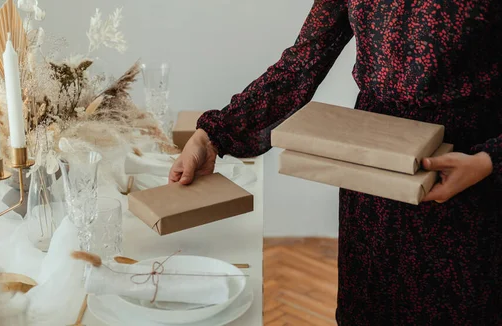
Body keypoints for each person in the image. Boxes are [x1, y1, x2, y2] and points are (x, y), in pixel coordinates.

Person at [169, 1, 501, 325]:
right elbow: (301, 65)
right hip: (373, 189)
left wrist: (489, 160)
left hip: (467, 185)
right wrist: (213, 135)